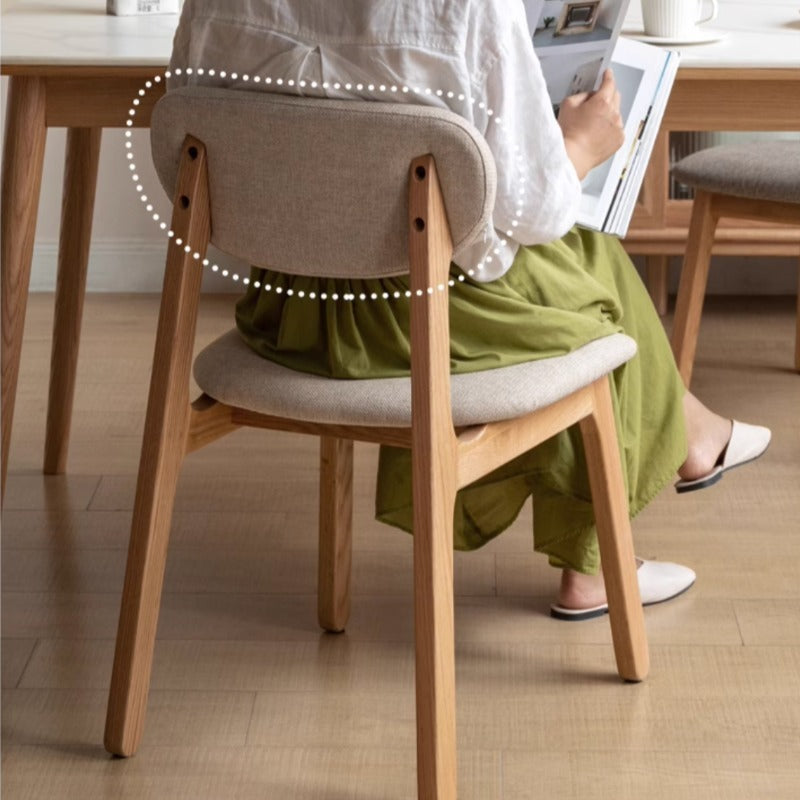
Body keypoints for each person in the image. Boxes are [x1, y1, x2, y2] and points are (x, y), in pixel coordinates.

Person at [167, 0, 771, 620]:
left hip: (287, 313)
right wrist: (580, 146)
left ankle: (694, 435)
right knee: (591, 265)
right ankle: (604, 553)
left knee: (555, 266)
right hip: (414, 323)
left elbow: (192, 126)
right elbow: (533, 212)